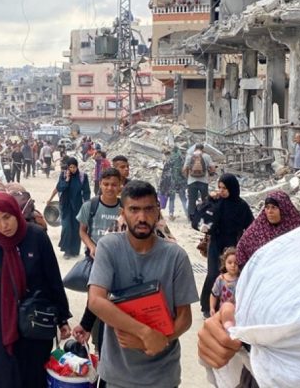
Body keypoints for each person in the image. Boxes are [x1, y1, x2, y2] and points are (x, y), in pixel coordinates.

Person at [87, 181, 199, 388]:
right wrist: (145, 333)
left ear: (158, 211)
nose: (142, 217)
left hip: (162, 377)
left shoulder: (176, 256)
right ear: (123, 213)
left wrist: (161, 341)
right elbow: (96, 301)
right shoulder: (109, 247)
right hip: (117, 376)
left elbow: (185, 317)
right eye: (134, 209)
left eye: (148, 209)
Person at [0, 193, 72, 388]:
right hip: (2, 323)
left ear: (16, 213)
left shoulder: (37, 236)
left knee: (34, 376)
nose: (3, 225)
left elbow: (53, 278)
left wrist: (62, 319)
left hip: (36, 319)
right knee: (5, 377)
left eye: (7, 217)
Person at [72, 168, 123, 352]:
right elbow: (82, 231)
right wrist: (92, 247)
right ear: (100, 184)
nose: (110, 188)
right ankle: (95, 341)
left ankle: (114, 341)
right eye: (106, 184)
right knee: (95, 301)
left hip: (119, 263)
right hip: (96, 261)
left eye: (114, 185)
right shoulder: (90, 206)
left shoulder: (125, 207)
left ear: (120, 186)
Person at [199, 174, 254, 318]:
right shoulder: (217, 203)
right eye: (219, 187)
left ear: (232, 188)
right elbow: (199, 218)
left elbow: (251, 226)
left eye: (224, 188)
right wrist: (210, 200)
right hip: (216, 243)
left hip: (233, 245)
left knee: (232, 275)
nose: (221, 191)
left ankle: (232, 307)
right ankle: (208, 306)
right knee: (213, 274)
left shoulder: (241, 206)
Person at [235, 190, 300, 268]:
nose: (269, 211)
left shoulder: (297, 226)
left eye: (274, 207)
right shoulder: (257, 229)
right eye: (267, 207)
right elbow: (241, 249)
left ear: (284, 209)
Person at [56, 158, 90, 259]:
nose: (72, 169)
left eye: (74, 167)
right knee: (66, 227)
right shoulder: (63, 175)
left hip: (77, 206)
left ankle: (74, 250)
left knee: (76, 228)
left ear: (77, 166)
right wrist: (66, 180)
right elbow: (59, 188)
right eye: (70, 167)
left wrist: (87, 204)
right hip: (65, 206)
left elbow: (86, 191)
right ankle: (67, 251)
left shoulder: (82, 176)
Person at [182, 143, 215, 219]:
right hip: (204, 182)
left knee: (192, 200)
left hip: (191, 181)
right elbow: (212, 168)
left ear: (195, 149)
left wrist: (187, 177)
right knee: (205, 200)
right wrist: (211, 174)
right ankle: (205, 215)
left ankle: (192, 217)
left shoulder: (189, 156)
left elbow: (184, 169)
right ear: (202, 149)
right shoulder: (206, 156)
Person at [210, 247, 239, 316]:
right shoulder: (220, 279)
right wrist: (212, 308)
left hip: (236, 314)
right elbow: (214, 295)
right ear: (224, 263)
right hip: (222, 313)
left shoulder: (241, 280)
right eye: (229, 262)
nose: (233, 265)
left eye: (236, 263)